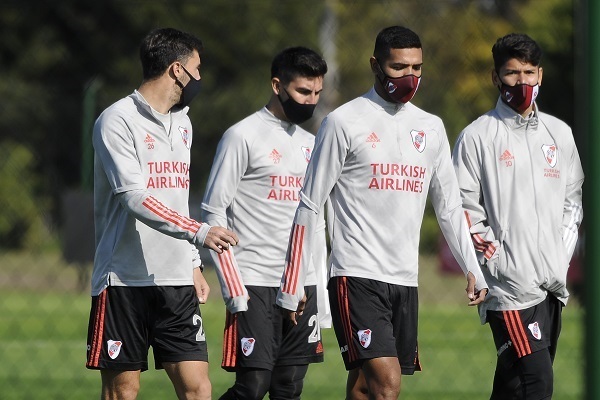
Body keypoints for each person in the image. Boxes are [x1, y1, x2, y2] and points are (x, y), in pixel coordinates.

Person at [276, 26, 488, 400]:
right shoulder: (343, 122)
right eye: (398, 67)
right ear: (376, 65)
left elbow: (450, 206)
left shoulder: (431, 128)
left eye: (417, 68)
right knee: (387, 385)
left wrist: (471, 265)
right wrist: (295, 279)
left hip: (405, 280)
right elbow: (310, 204)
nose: (409, 77)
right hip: (356, 275)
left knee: (363, 386)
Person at [85, 28, 239, 400]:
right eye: (196, 69)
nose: (200, 78)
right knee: (124, 390)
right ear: (176, 70)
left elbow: (175, 197)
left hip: (176, 282)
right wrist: (199, 234)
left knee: (198, 388)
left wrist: (190, 261)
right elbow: (134, 197)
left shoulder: (183, 123)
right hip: (123, 280)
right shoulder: (116, 120)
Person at [452, 33, 584, 399]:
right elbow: (462, 209)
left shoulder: (559, 134)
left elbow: (572, 203)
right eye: (512, 73)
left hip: (552, 284)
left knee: (513, 387)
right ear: (496, 78)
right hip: (509, 288)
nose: (522, 82)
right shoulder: (477, 136)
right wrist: (495, 261)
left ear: (540, 75)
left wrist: (560, 257)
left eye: (529, 72)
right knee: (537, 382)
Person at [200, 46, 329, 400]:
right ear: (277, 85)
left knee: (288, 387)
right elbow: (213, 212)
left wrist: (314, 284)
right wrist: (232, 286)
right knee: (252, 387)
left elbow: (316, 223)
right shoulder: (241, 136)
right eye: (303, 91)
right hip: (254, 282)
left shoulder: (313, 144)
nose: (311, 100)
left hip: (300, 287)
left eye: (317, 93)